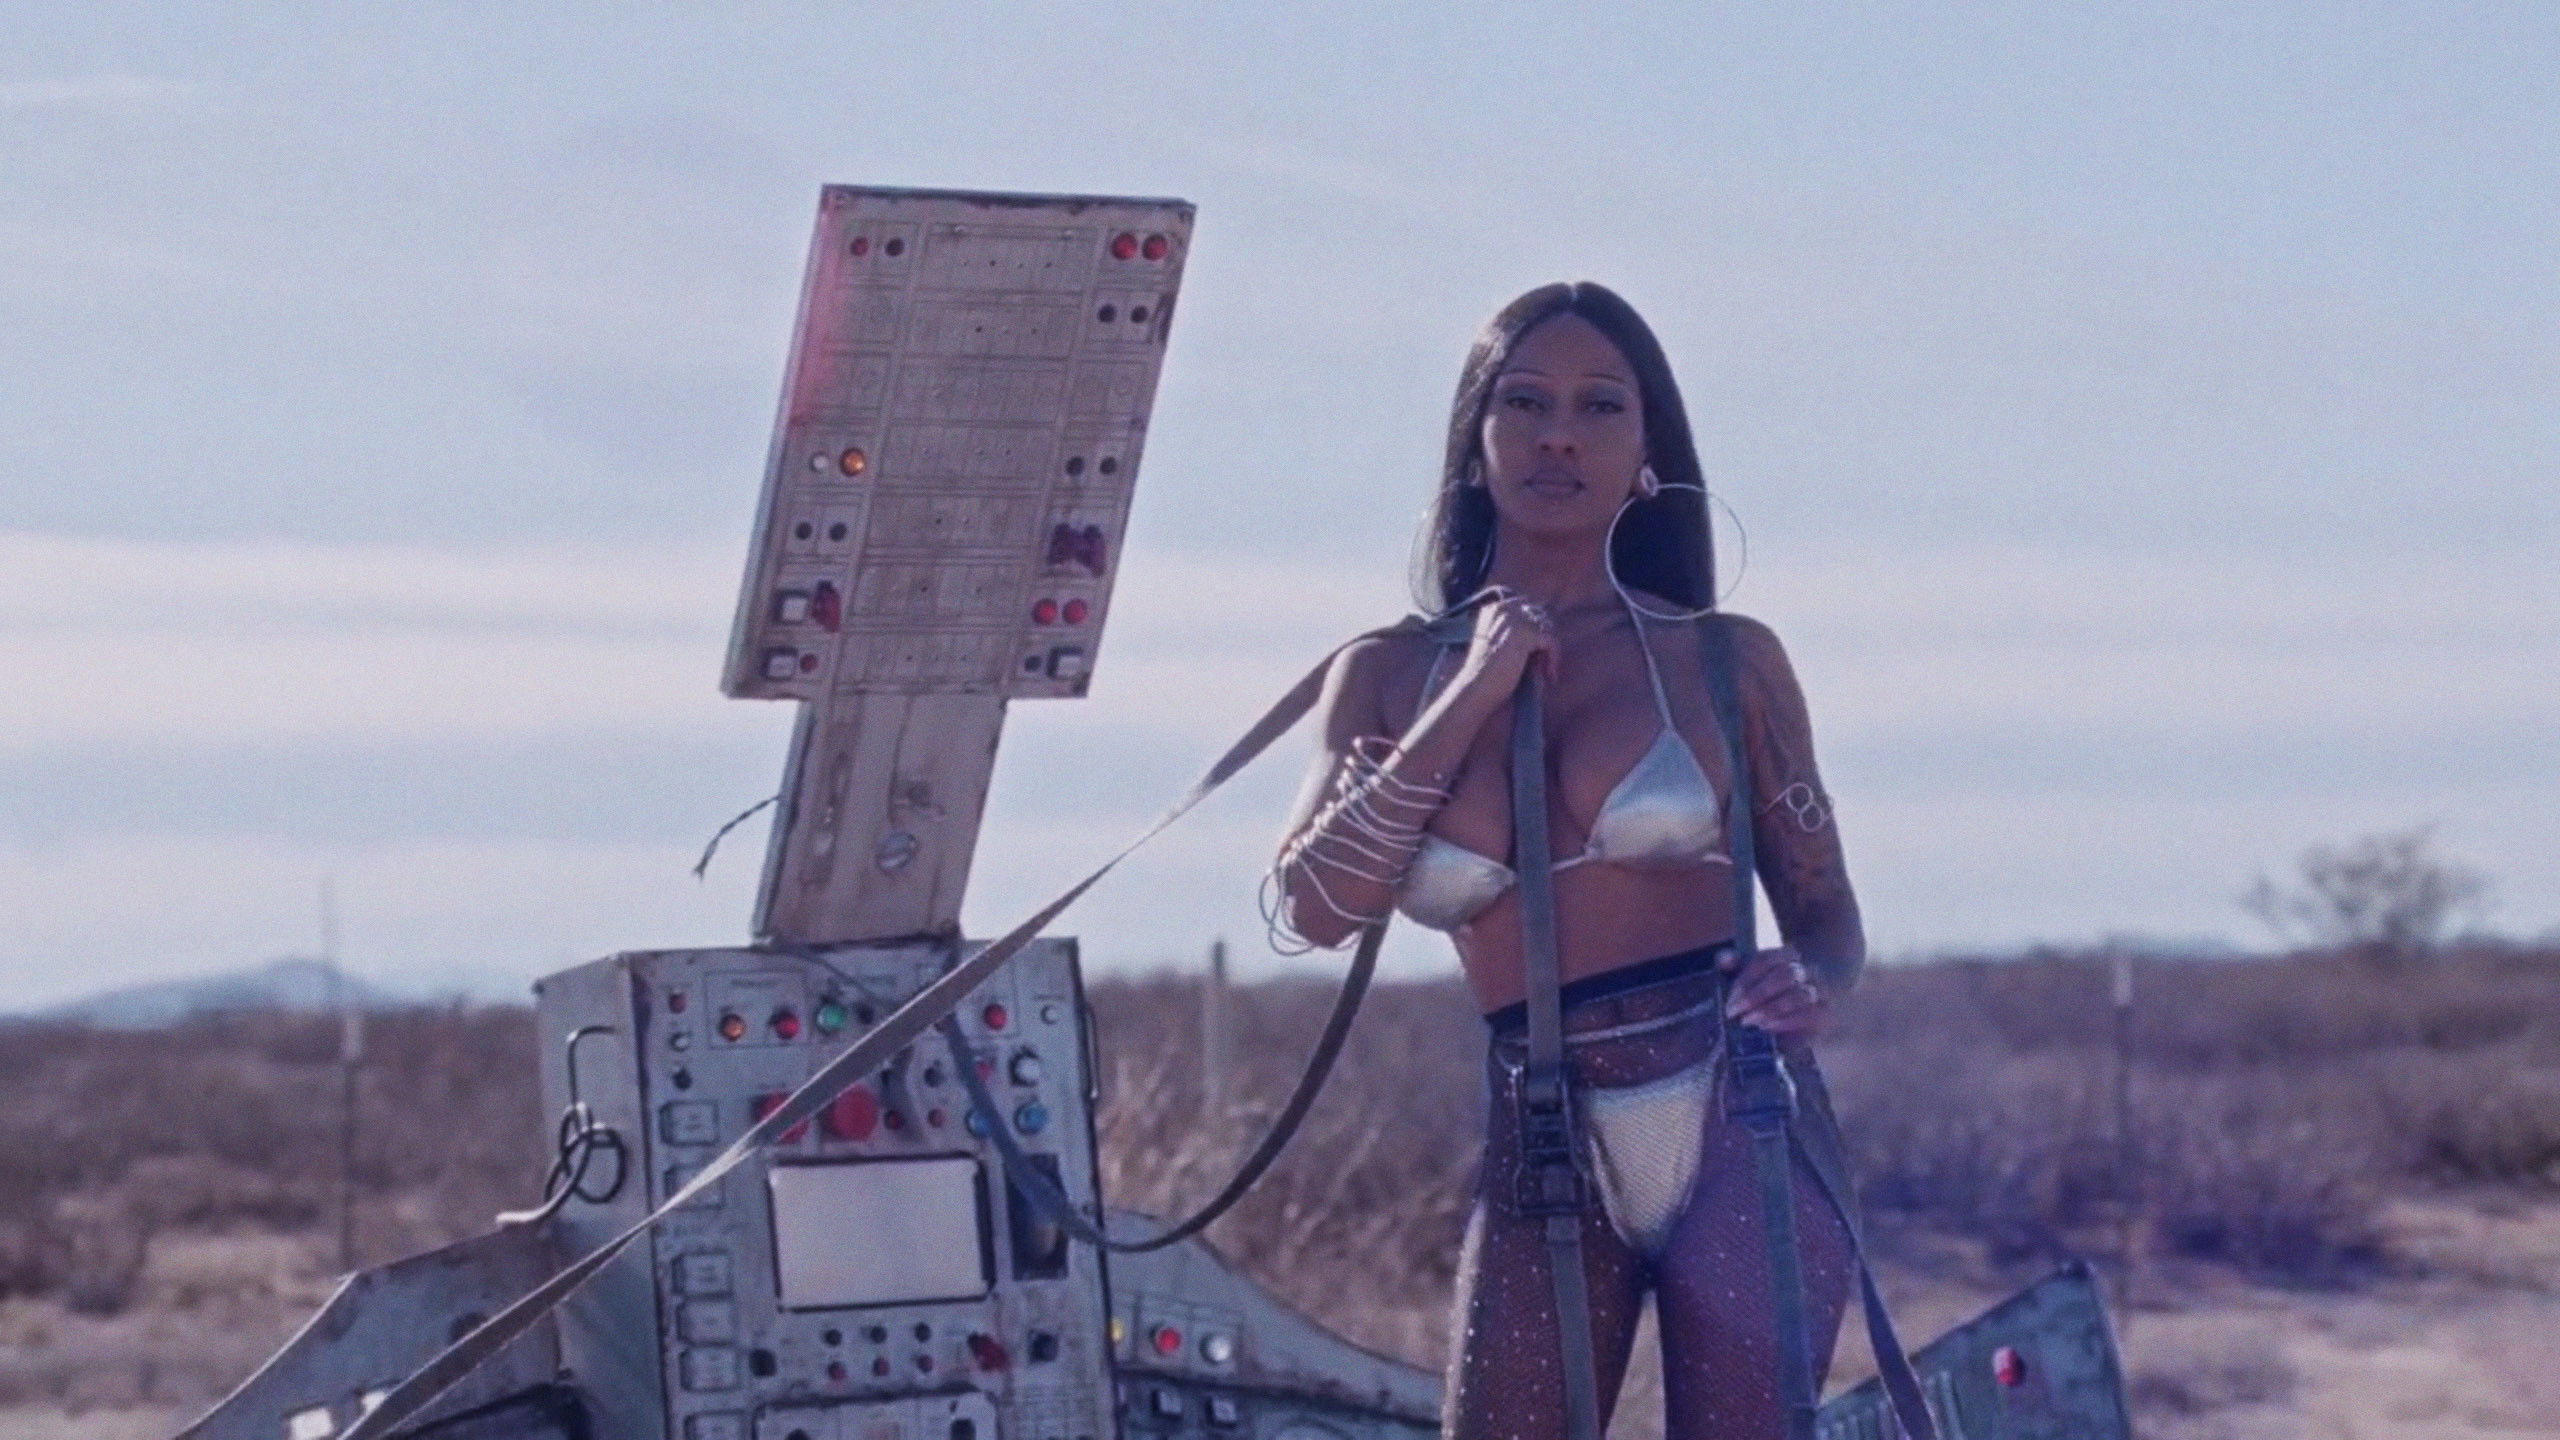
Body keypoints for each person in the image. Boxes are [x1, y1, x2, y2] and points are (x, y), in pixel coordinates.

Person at [1268, 282, 1862, 1440]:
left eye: (1600, 407)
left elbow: (1826, 911)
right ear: (1474, 441)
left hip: (1739, 1115)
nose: (1558, 435)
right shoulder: (1385, 673)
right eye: (1526, 402)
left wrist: (1814, 980)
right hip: (1538, 1126)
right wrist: (1472, 690)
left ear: (1647, 453)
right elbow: (1314, 907)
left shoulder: (1723, 659)